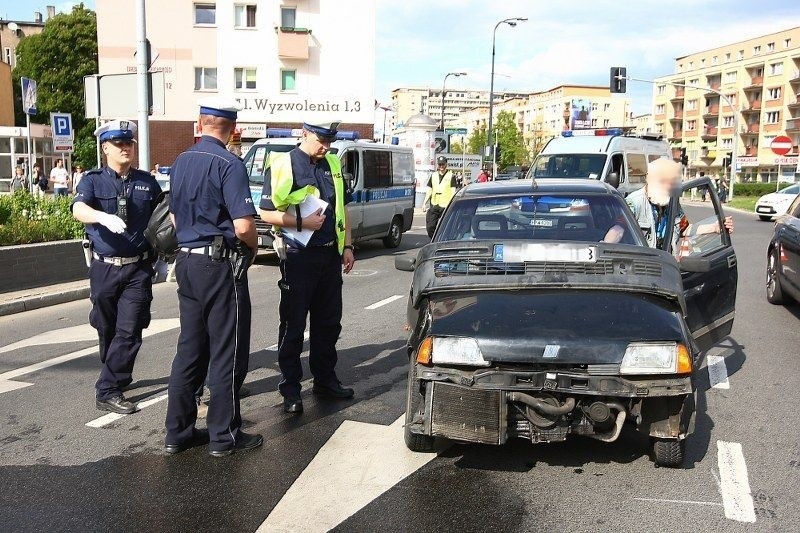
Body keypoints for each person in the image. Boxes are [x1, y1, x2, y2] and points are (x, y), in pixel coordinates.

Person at [164, 99, 262, 457]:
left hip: (187, 264)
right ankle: (224, 435)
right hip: (220, 266)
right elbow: (244, 225)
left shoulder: (179, 162)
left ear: (199, 123)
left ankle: (177, 433)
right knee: (227, 352)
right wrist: (250, 251)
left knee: (189, 350)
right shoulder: (229, 163)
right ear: (233, 129)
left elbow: (174, 217)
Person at [259, 119, 356, 414]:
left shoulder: (332, 164)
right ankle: (290, 389)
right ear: (305, 134)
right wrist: (301, 222)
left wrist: (348, 246)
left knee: (328, 324)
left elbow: (343, 208)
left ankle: (325, 380)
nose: (325, 147)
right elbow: (265, 212)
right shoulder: (283, 164)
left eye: (329, 141)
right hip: (299, 256)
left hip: (329, 256)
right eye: (321, 141)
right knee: (293, 325)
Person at [71, 120, 162, 415]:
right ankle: (116, 371)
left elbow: (163, 218)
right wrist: (100, 216)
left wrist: (166, 251)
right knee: (106, 326)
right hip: (104, 268)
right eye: (120, 143)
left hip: (137, 269)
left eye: (130, 143)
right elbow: (78, 209)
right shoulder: (92, 180)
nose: (126, 148)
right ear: (105, 148)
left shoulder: (147, 182)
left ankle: (108, 389)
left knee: (130, 328)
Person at [626, 159, 733, 251]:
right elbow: (618, 230)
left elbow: (685, 228)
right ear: (648, 179)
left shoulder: (671, 202)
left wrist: (715, 227)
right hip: (641, 266)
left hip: (666, 263)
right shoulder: (634, 203)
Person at [424, 155, 457, 238]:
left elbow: (453, 191)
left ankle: (444, 240)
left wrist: (452, 204)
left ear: (446, 164)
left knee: (446, 227)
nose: (441, 166)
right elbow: (429, 190)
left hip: (446, 205)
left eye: (443, 164)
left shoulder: (451, 176)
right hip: (434, 204)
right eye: (439, 165)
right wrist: (424, 203)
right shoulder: (433, 175)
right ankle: (434, 239)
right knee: (430, 226)